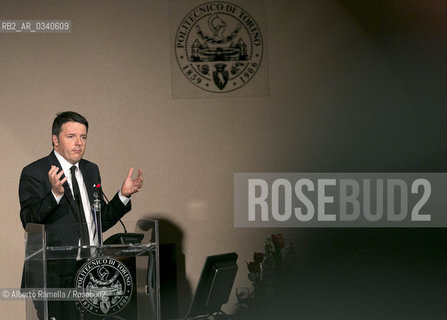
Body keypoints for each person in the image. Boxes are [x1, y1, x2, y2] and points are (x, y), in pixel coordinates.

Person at [19, 111, 143, 319]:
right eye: (71, 136)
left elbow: (97, 223)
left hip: (91, 272)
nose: (79, 143)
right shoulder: (35, 171)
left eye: (83, 137)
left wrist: (123, 196)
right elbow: (29, 220)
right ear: (55, 140)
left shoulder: (90, 170)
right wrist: (54, 195)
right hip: (54, 276)